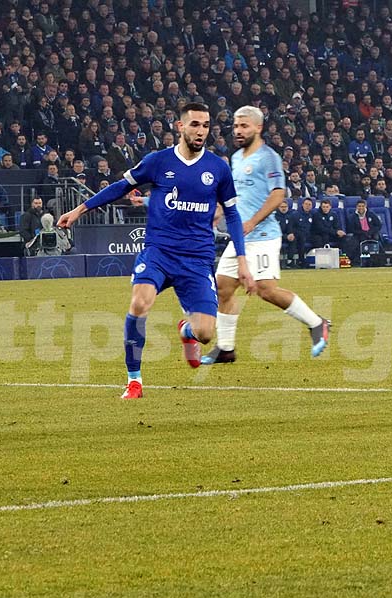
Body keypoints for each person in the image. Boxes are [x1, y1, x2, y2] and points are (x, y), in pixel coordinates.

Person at [57, 102, 247, 399]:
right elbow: (120, 186)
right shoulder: (158, 161)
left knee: (206, 334)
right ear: (180, 127)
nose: (201, 131)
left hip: (197, 259)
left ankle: (186, 331)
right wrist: (80, 209)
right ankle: (134, 381)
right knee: (140, 303)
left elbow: (232, 215)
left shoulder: (218, 168)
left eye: (206, 125)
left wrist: (242, 260)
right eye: (195, 124)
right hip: (159, 253)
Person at [201, 106, 330, 365]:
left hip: (263, 236)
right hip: (241, 237)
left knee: (265, 289)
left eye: (244, 126)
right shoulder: (236, 158)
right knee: (223, 286)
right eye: (236, 126)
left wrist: (252, 221)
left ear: (258, 127)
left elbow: (278, 194)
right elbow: (235, 194)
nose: (238, 131)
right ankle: (226, 348)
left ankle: (317, 323)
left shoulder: (268, 157)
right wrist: (219, 210)